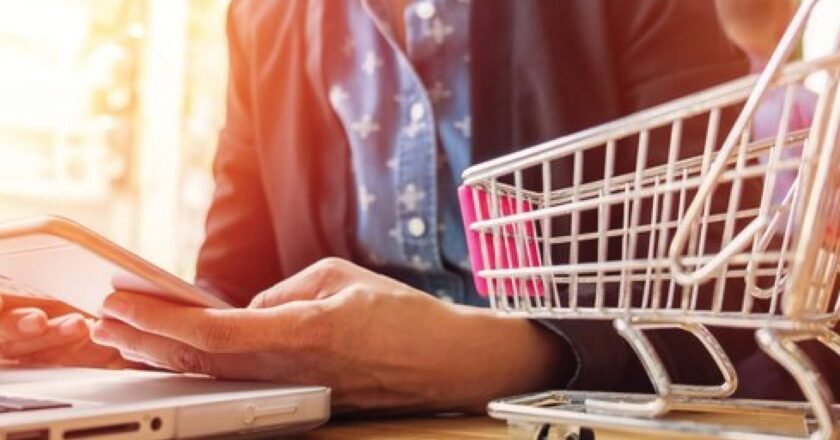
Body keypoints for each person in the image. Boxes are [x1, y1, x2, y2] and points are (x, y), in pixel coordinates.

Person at [0, 0, 827, 414]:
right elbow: (238, 287)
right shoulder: (262, 17)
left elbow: (725, 302)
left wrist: (506, 357)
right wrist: (131, 338)